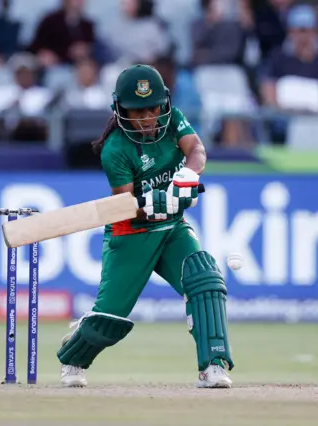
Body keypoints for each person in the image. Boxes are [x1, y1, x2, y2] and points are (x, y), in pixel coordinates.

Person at [56, 64, 235, 389]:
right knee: (108, 320)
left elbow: (196, 149)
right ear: (121, 109)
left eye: (153, 108)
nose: (149, 117)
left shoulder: (173, 118)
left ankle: (213, 365)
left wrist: (188, 175)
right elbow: (125, 206)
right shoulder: (115, 150)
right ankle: (73, 355)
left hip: (172, 230)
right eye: (138, 111)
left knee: (205, 280)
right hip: (131, 233)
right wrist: (156, 203)